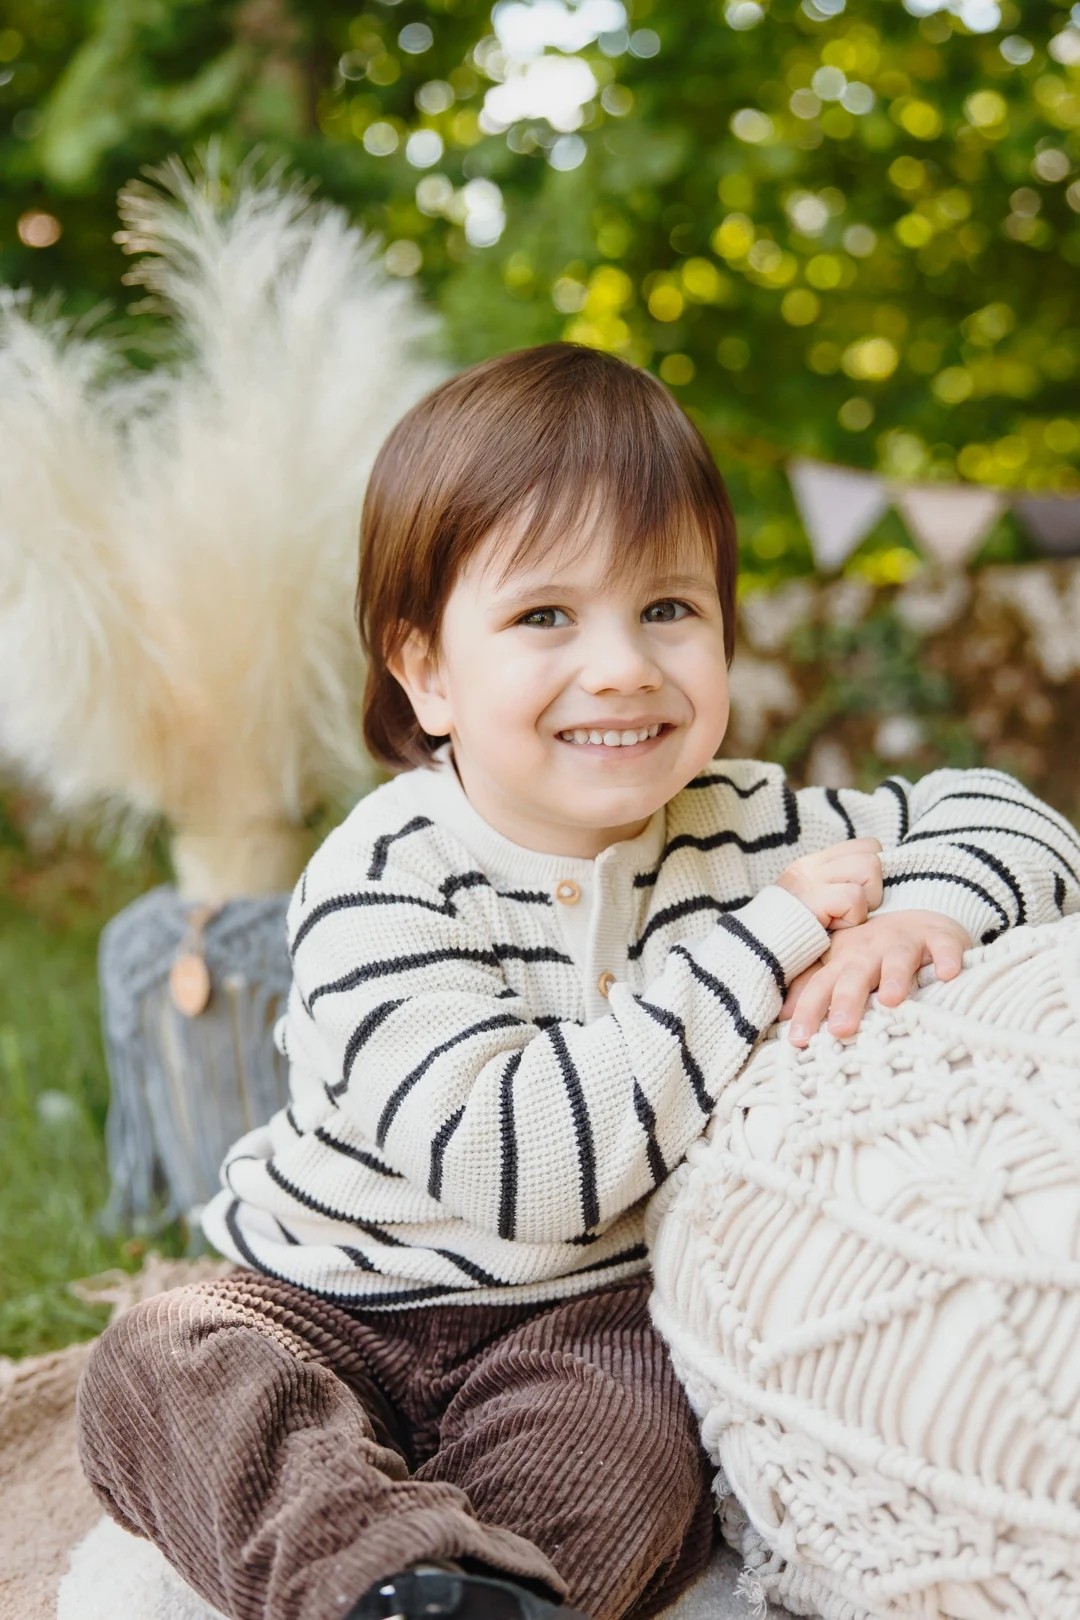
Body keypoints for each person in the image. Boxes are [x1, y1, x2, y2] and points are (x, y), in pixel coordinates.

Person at [76, 344, 1080, 1620]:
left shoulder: (749, 817)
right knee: (166, 1366)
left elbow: (1005, 813)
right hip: (326, 1293)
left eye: (669, 610)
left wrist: (929, 905)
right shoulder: (386, 878)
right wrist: (766, 940)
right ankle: (361, 1577)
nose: (622, 666)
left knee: (640, 1438)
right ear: (427, 671)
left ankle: (489, 1593)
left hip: (578, 1319)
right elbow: (522, 1172)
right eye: (546, 616)